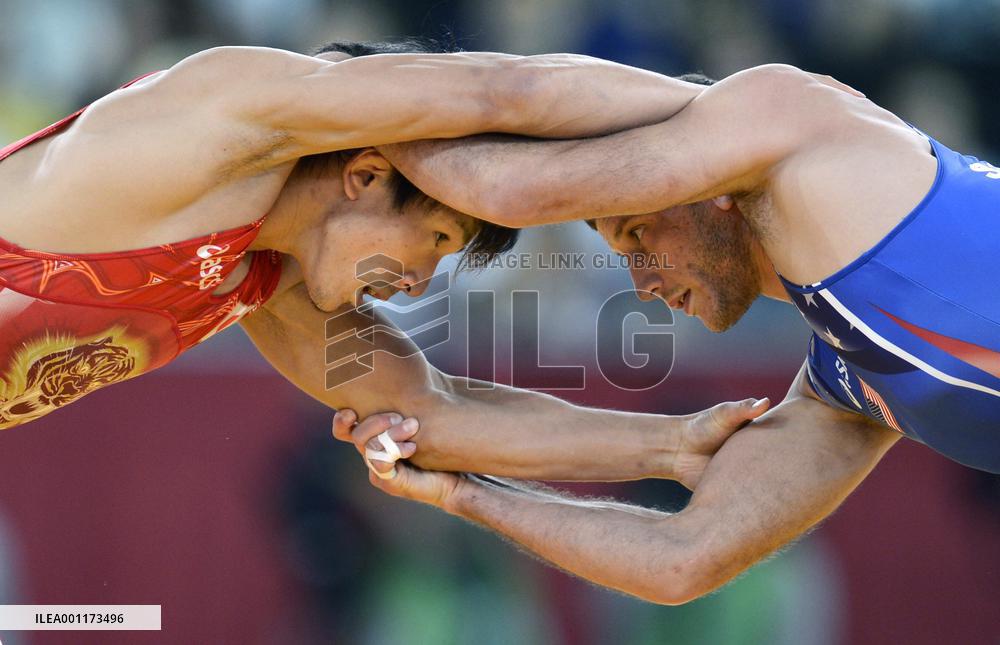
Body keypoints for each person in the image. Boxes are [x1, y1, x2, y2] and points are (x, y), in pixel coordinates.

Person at [336, 64, 1000, 604]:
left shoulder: (797, 122)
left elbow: (506, 187)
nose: (642, 282)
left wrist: (319, 108)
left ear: (714, 185)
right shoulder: (848, 379)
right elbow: (680, 561)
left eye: (638, 234)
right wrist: (465, 491)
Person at [0, 40, 768, 486]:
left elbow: (438, 413)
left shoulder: (277, 285)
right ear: (365, 177)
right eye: (435, 240)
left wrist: (669, 446)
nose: (420, 286)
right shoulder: (222, 124)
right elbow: (511, 91)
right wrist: (730, 126)